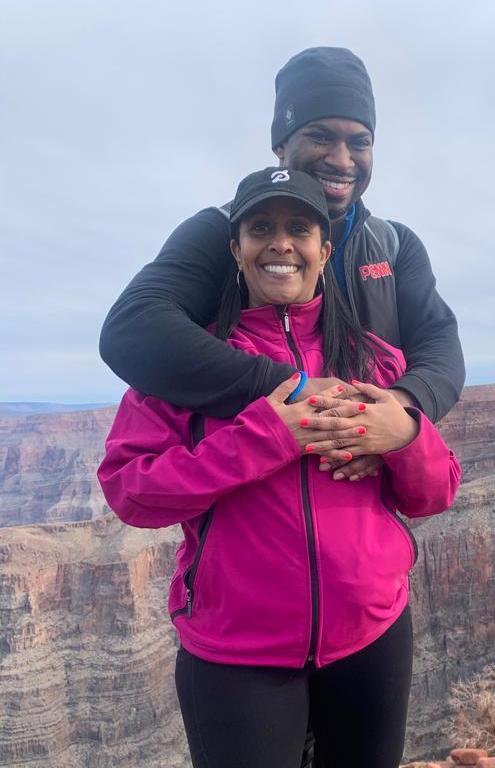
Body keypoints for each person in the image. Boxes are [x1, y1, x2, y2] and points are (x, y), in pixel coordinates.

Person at [97, 167, 462, 768]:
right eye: (260, 227)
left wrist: (406, 435)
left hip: (373, 637)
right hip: (238, 656)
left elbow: (437, 492)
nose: (281, 243)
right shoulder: (190, 366)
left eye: (300, 227)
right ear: (235, 249)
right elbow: (130, 492)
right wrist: (266, 436)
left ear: (324, 248)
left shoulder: (373, 360)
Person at [99, 46, 464, 484]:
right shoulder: (223, 231)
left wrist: (394, 415)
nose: (342, 160)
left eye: (359, 142)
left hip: (358, 515)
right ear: (281, 144)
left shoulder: (393, 245)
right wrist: (293, 388)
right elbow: (133, 329)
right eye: (321, 136)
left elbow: (440, 344)